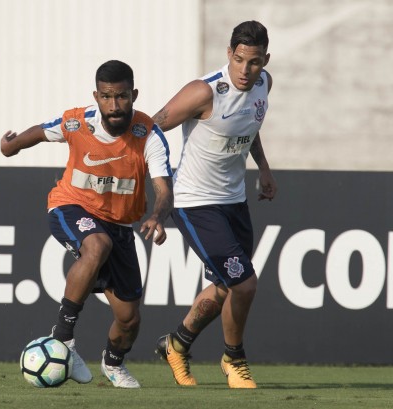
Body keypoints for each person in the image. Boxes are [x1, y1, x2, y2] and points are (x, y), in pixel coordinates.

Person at [1, 60, 174, 388]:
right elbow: (42, 131)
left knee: (129, 319)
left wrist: (157, 216)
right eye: (107, 97)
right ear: (96, 96)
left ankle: (113, 363)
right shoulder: (78, 123)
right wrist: (11, 145)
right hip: (70, 205)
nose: (114, 106)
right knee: (97, 245)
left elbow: (164, 188)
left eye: (122, 96)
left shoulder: (148, 134)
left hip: (120, 226)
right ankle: (63, 336)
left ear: (134, 95)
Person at [152, 20, 277, 389]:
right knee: (245, 285)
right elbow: (152, 129)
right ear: (229, 54)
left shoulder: (265, 84)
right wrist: (162, 188)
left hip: (234, 201)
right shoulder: (204, 92)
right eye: (239, 60)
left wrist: (265, 168)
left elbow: (248, 127)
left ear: (265, 61)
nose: (245, 70)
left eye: (253, 62)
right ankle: (233, 359)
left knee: (226, 286)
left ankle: (176, 344)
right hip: (195, 202)